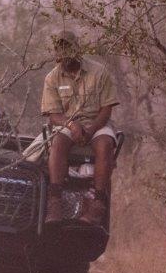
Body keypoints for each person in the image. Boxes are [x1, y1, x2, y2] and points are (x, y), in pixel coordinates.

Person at [41, 29, 119, 225]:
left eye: (68, 48)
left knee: (105, 144)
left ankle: (98, 203)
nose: (64, 54)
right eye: (60, 49)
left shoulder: (99, 72)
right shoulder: (52, 77)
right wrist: (71, 125)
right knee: (57, 142)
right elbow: (53, 115)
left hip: (96, 122)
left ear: (77, 49)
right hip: (68, 123)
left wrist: (91, 130)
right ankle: (55, 201)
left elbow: (106, 109)